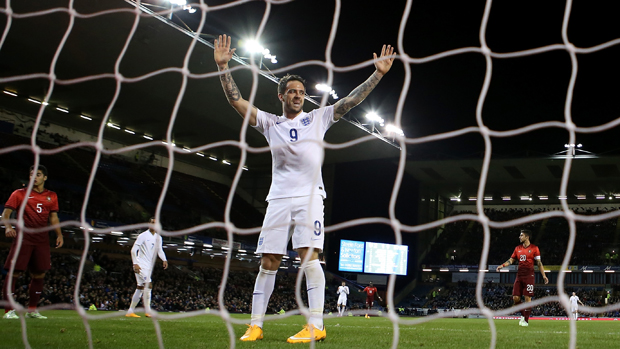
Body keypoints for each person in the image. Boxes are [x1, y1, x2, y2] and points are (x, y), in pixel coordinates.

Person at [213, 34, 395, 343]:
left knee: (309, 256)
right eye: (292, 92)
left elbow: (351, 101)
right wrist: (223, 67)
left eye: (301, 92)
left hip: (310, 197)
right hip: (278, 199)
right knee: (268, 261)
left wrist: (377, 74)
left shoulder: (318, 118)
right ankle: (255, 325)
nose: (298, 95)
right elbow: (236, 100)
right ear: (281, 95)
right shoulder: (270, 123)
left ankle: (316, 325)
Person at [2, 165, 63, 320]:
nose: (34, 177)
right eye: (31, 174)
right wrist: (8, 226)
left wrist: (59, 234)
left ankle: (32, 310)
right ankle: (8, 310)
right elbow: (6, 213)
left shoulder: (52, 196)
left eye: (38, 174)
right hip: (23, 238)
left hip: (42, 240)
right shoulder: (19, 194)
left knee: (40, 273)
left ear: (45, 178)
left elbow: (54, 218)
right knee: (14, 272)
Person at [496, 229, 548, 327]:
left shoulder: (534, 248)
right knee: (515, 298)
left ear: (527, 237)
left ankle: (526, 321)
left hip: (529, 276)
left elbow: (539, 263)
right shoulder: (517, 248)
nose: (519, 237)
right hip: (519, 276)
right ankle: (524, 315)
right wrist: (502, 265)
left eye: (521, 235)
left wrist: (544, 275)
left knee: (528, 298)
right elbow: (511, 260)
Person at [126, 217, 168, 318]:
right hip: (140, 265)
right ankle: (148, 311)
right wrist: (135, 263)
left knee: (140, 287)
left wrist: (164, 259)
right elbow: (133, 250)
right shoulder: (143, 236)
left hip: (148, 265)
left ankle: (130, 311)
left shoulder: (158, 237)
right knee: (148, 285)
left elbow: (160, 250)